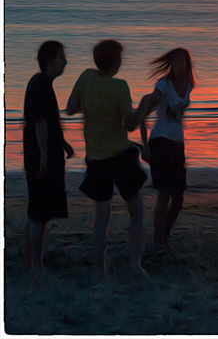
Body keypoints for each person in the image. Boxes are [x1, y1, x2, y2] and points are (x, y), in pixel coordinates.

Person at [67, 40, 147, 281]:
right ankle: (135, 264)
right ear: (115, 61)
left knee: (102, 212)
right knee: (136, 210)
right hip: (121, 156)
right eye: (120, 57)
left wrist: (94, 108)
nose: (122, 61)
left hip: (96, 158)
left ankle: (98, 268)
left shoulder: (85, 78)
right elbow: (130, 125)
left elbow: (71, 108)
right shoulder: (120, 87)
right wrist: (144, 107)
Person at [22, 41, 75, 270]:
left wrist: (62, 143)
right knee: (38, 211)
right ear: (51, 59)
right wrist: (44, 156)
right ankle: (35, 264)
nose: (65, 61)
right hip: (40, 157)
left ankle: (30, 257)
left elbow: (47, 120)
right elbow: (40, 121)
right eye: (62, 56)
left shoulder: (43, 83)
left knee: (38, 209)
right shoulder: (41, 83)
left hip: (45, 153)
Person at [137, 48, 195, 253]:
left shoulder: (189, 84)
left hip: (178, 145)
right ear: (171, 64)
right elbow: (148, 104)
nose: (180, 66)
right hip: (160, 142)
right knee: (164, 194)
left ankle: (165, 235)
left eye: (184, 62)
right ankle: (158, 241)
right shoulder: (164, 85)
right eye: (177, 62)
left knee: (178, 197)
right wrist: (144, 144)